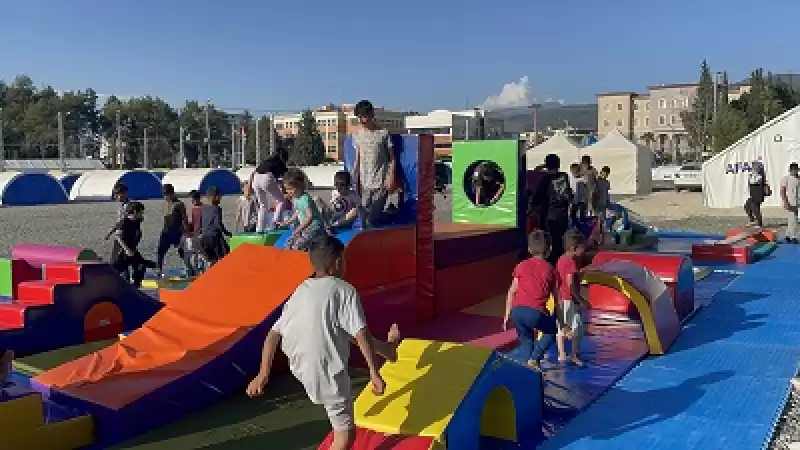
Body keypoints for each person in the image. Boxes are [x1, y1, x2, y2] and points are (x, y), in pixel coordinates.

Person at [246, 235, 401, 450]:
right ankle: (387, 349)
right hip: (326, 371)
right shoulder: (344, 290)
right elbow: (361, 334)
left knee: (337, 326)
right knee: (345, 437)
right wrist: (374, 372)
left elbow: (273, 335)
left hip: (300, 365)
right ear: (337, 263)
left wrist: (263, 375)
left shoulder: (300, 290)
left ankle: (387, 349)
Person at [502, 230, 558, 372]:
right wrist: (558, 317)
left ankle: (529, 368)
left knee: (526, 339)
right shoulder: (550, 269)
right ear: (550, 249)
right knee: (551, 330)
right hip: (534, 312)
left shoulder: (521, 265)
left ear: (529, 249)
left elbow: (512, 291)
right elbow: (557, 297)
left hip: (516, 312)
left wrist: (507, 314)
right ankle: (534, 359)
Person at [351, 99, 398, 228]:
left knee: (371, 218)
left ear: (371, 114)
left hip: (380, 182)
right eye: (359, 117)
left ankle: (390, 213)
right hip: (365, 183)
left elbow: (392, 158)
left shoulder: (383, 133)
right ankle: (389, 212)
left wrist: (391, 177)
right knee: (363, 216)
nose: (362, 120)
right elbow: (357, 157)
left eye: (364, 116)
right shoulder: (358, 135)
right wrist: (354, 174)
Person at [555, 231, 591, 366]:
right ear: (574, 248)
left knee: (562, 327)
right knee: (577, 328)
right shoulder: (571, 262)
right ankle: (574, 355)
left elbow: (563, 280)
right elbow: (570, 284)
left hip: (562, 299)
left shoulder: (561, 259)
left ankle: (562, 354)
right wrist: (581, 300)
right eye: (582, 247)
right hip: (570, 300)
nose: (584, 250)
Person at [531, 154, 573, 264]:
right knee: (560, 243)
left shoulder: (545, 180)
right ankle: (561, 265)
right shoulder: (564, 176)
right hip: (562, 216)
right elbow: (568, 195)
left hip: (549, 218)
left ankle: (550, 266)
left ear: (546, 165)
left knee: (548, 244)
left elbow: (536, 199)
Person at [109, 201, 157, 288]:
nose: (142, 214)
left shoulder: (136, 221)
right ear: (135, 212)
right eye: (141, 212)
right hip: (121, 253)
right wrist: (127, 249)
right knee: (116, 272)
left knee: (141, 265)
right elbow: (118, 237)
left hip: (132, 251)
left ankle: (136, 287)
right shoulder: (124, 222)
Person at [278, 169, 327, 251]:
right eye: (287, 189)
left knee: (298, 245)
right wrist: (286, 222)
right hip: (304, 228)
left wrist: (299, 229)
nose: (288, 192)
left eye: (291, 189)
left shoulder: (305, 199)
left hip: (314, 228)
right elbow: (297, 213)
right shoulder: (295, 198)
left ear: (300, 186)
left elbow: (310, 217)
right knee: (288, 243)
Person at [156, 184, 188, 276]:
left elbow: (185, 219)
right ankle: (159, 271)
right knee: (160, 252)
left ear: (172, 193)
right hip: (166, 233)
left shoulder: (179, 204)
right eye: (164, 195)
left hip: (177, 233)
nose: (165, 197)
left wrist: (186, 233)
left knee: (182, 253)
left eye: (167, 194)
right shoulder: (166, 204)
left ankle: (189, 269)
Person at [250, 156, 288, 232]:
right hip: (266, 178)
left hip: (255, 179)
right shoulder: (280, 163)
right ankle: (275, 224)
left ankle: (259, 229)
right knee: (281, 201)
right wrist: (284, 191)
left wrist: (249, 188)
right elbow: (285, 178)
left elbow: (252, 174)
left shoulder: (267, 160)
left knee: (263, 205)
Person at [199, 186, 233, 265]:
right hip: (214, 238)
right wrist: (227, 233)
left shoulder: (203, 208)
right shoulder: (217, 208)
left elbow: (201, 222)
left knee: (211, 260)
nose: (220, 199)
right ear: (212, 197)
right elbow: (218, 224)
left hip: (204, 238)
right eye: (218, 197)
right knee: (224, 256)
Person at [184, 190, 206, 276]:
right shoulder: (194, 209)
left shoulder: (202, 209)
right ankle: (195, 271)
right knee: (195, 254)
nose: (192, 201)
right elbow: (191, 223)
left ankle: (200, 271)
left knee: (200, 255)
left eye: (193, 199)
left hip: (200, 235)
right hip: (195, 235)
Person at [745, 161, 769, 227]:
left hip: (758, 196)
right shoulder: (753, 175)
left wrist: (751, 176)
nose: (752, 169)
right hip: (753, 195)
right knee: (747, 206)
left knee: (756, 209)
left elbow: (754, 182)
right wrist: (751, 176)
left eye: (754, 167)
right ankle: (752, 220)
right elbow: (750, 183)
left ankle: (759, 223)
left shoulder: (760, 176)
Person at [780, 162, 800, 243]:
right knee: (794, 220)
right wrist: (785, 202)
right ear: (790, 170)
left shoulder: (798, 179)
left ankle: (788, 236)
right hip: (789, 202)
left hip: (796, 202)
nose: (795, 172)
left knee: (791, 220)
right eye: (794, 170)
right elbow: (782, 191)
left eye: (797, 170)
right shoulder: (786, 178)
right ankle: (793, 237)